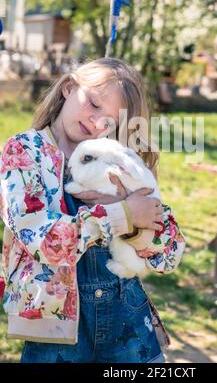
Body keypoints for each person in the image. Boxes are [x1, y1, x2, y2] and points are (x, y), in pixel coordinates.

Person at [0, 58, 186, 363]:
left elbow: (171, 254)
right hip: (54, 335)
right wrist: (121, 215)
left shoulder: (116, 163)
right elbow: (45, 243)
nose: (97, 122)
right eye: (94, 103)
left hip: (128, 329)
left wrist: (137, 227)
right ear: (69, 88)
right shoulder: (24, 152)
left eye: (110, 121)